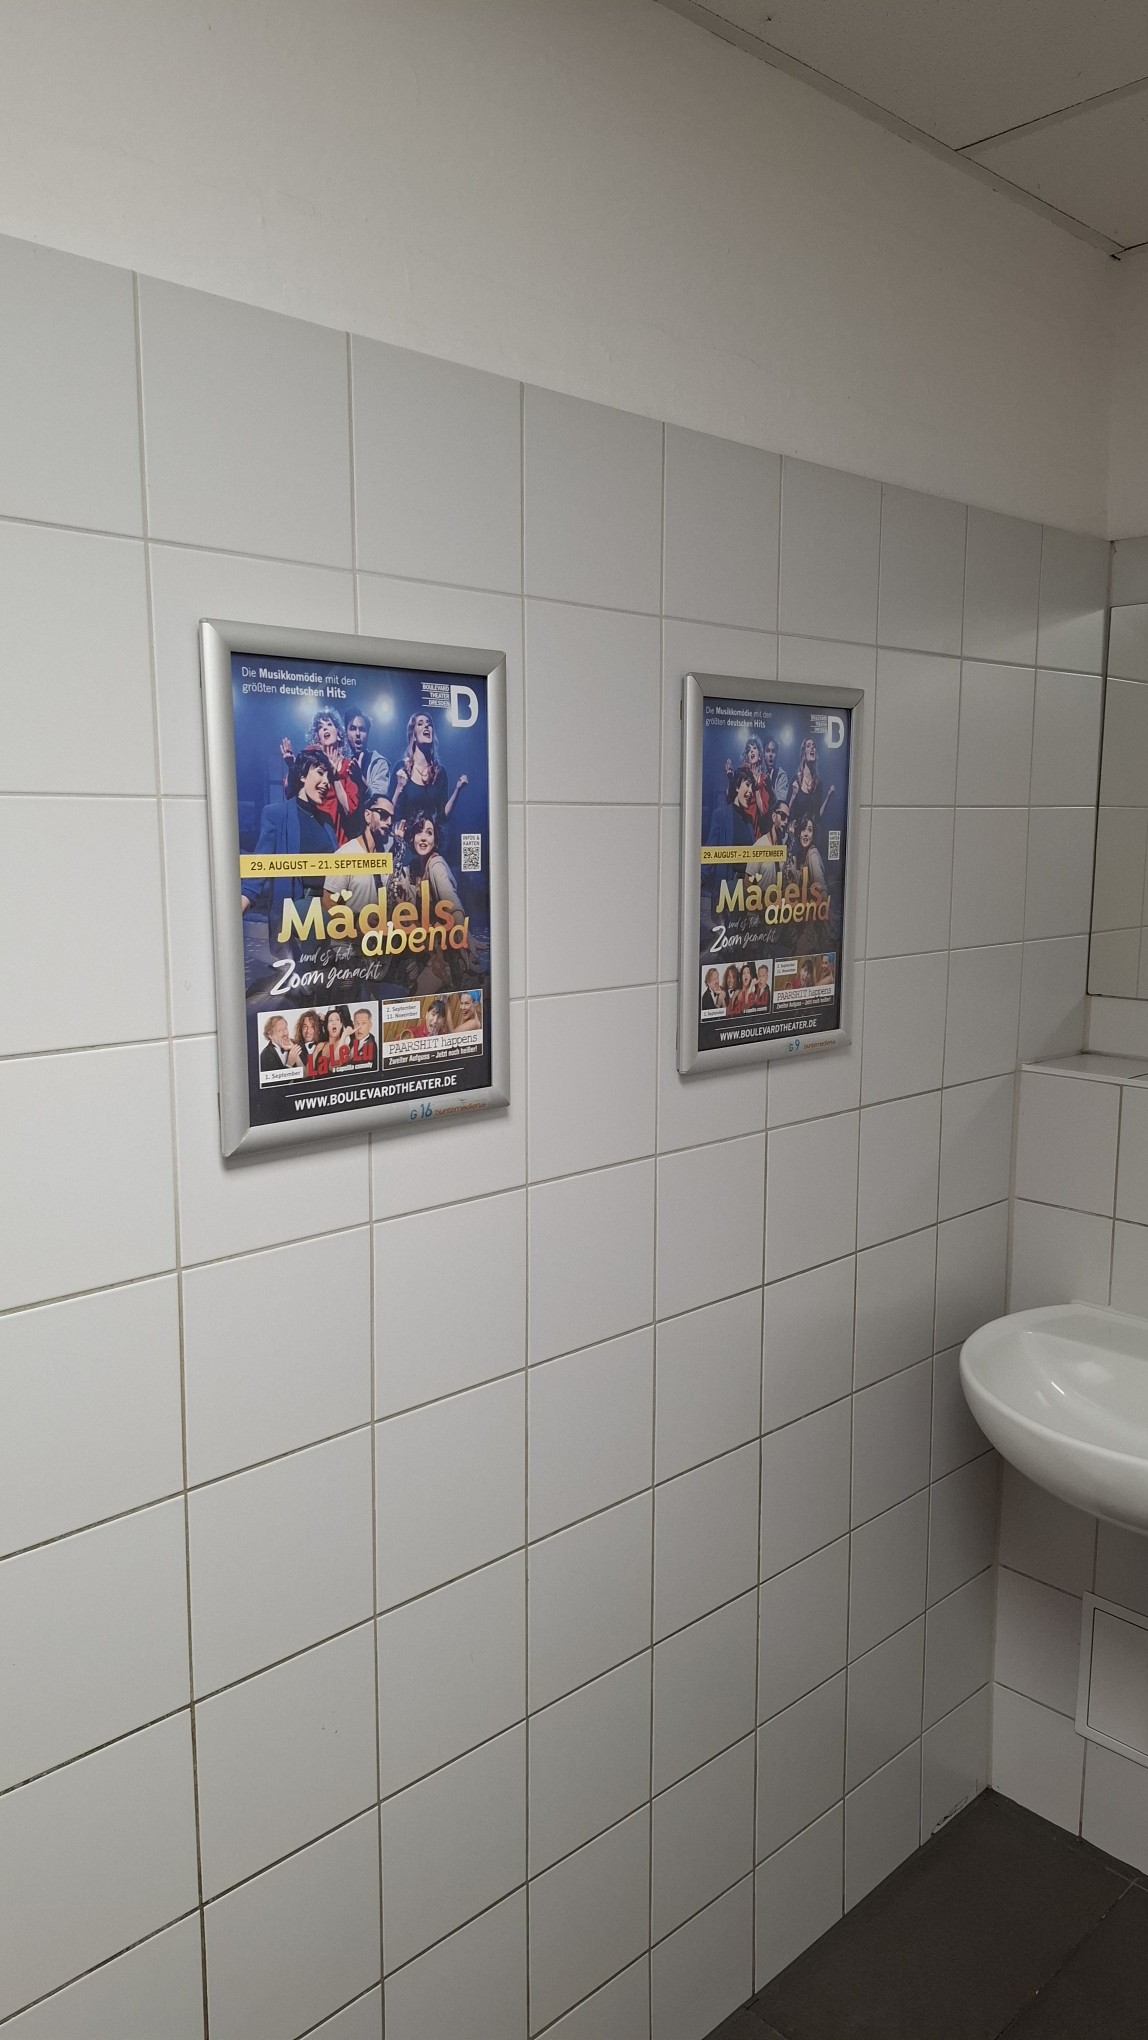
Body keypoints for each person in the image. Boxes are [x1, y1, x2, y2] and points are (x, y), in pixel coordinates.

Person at [241, 748, 339, 939]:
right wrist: (242, 902)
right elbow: (260, 867)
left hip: (330, 911)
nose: (326, 782)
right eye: (320, 772)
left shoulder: (327, 820)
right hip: (295, 915)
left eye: (328, 776)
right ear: (302, 775)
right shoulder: (276, 815)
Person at [322, 794, 412, 919]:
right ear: (368, 816)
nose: (389, 822)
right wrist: (355, 923)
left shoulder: (385, 855)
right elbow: (327, 902)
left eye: (392, 817)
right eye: (384, 815)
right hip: (353, 930)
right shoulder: (346, 854)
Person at [279, 709, 361, 845]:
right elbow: (289, 792)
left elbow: (349, 810)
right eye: (320, 727)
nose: (325, 728)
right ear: (318, 737)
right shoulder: (310, 757)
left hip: (339, 841)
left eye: (329, 724)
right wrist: (292, 767)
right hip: (313, 833)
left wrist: (335, 778)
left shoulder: (348, 766)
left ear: (339, 734)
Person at [391, 710, 467, 840]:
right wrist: (399, 788)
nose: (426, 726)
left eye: (429, 723)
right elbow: (389, 812)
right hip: (406, 841)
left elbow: (443, 817)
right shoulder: (401, 768)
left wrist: (458, 789)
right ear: (414, 735)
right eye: (420, 724)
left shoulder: (440, 772)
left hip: (430, 842)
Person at [708, 765, 758, 848]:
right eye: (747, 784)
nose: (750, 791)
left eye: (752, 788)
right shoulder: (720, 815)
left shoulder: (749, 819)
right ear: (737, 787)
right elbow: (711, 852)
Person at [345, 711, 391, 799]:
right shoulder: (342, 763)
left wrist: (360, 780)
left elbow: (379, 799)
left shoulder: (379, 763)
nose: (357, 733)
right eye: (353, 728)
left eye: (362, 729)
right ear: (346, 733)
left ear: (368, 734)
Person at [789, 738, 823, 834]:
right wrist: (793, 795)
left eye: (814, 746)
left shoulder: (818, 783)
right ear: (804, 753)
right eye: (808, 746)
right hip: (797, 834)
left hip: (811, 835)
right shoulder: (795, 780)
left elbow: (818, 815)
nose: (812, 748)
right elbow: (787, 811)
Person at [792, 809, 828, 894]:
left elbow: (822, 888)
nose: (806, 834)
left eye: (810, 830)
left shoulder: (812, 854)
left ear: (813, 834)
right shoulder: (800, 855)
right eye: (803, 829)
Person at [292, 1009, 325, 1074]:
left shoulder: (324, 1045)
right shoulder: (295, 1048)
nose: (308, 1031)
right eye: (305, 1026)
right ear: (300, 1029)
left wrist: (325, 1020)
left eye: (312, 1027)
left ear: (318, 1029)